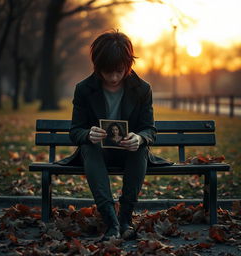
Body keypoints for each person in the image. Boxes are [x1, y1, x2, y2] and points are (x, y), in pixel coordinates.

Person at [56, 30, 172, 241]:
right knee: (89, 147)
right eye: (107, 72)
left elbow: (150, 130)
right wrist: (88, 134)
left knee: (141, 149)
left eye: (119, 71)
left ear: (128, 65)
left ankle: (125, 218)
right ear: (97, 67)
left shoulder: (142, 89)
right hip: (97, 153)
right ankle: (111, 220)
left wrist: (140, 138)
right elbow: (75, 131)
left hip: (129, 152)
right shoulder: (84, 89)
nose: (113, 78)